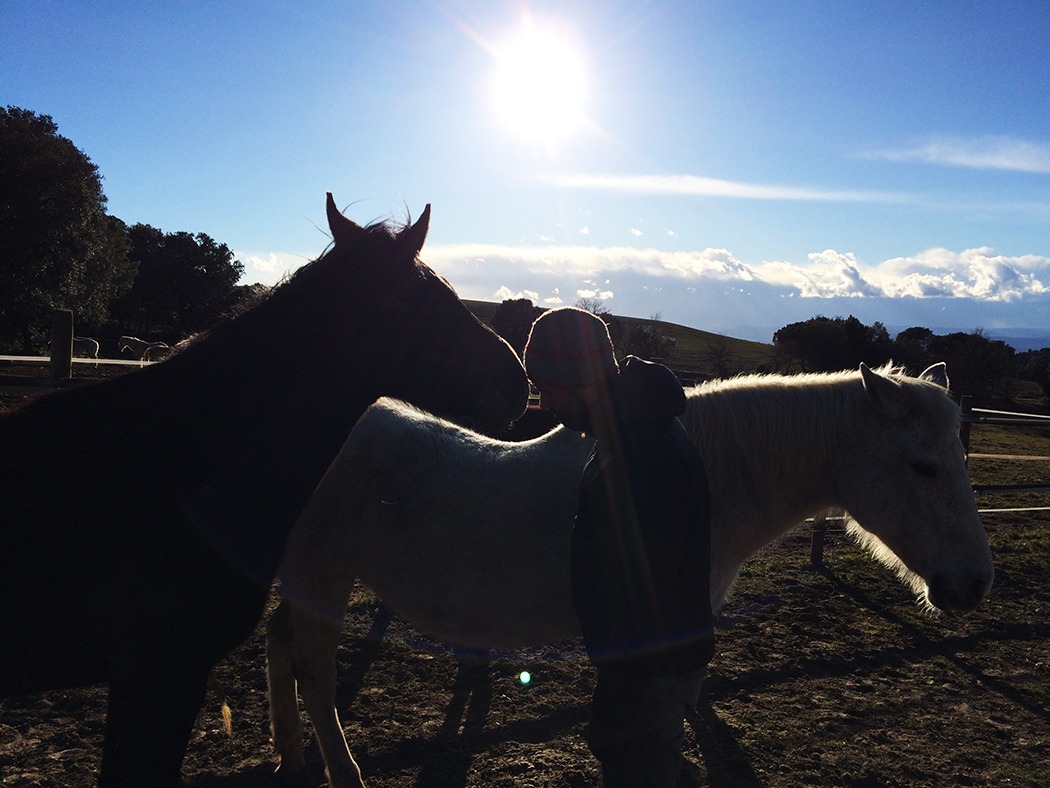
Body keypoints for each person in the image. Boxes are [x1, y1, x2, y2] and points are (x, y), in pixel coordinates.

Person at [523, 307, 715, 787]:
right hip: (650, 665)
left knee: (640, 769)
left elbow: (643, 591)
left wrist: (620, 696)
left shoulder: (639, 455)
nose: (544, 404)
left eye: (549, 389)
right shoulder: (633, 429)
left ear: (584, 380)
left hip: (648, 672)